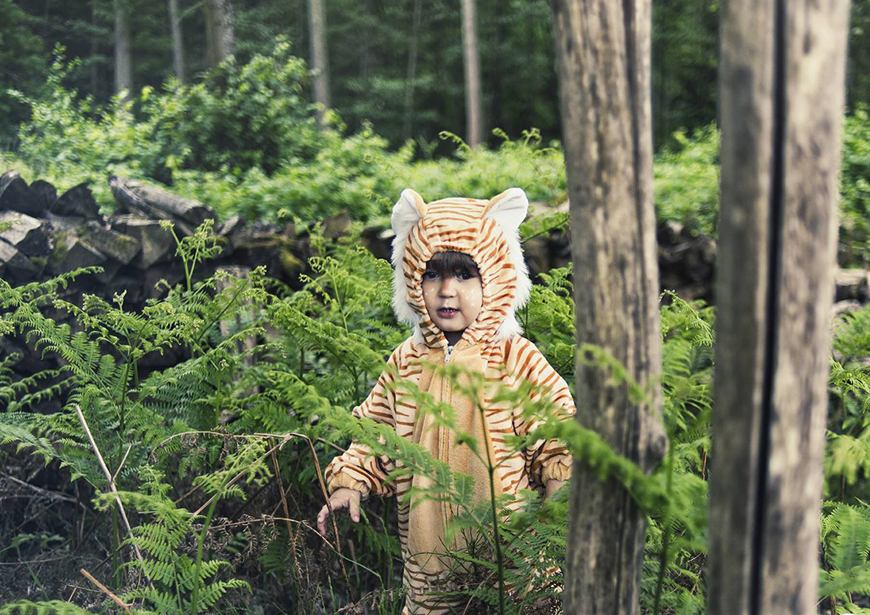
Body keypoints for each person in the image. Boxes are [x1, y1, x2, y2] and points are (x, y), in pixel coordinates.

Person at [317, 188, 575, 614]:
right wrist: (349, 481)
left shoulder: (516, 358)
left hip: (515, 564)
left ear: (494, 275)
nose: (446, 291)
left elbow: (558, 439)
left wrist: (556, 511)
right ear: (412, 279)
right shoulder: (407, 361)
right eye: (432, 274)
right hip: (428, 566)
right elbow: (377, 435)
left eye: (464, 274)